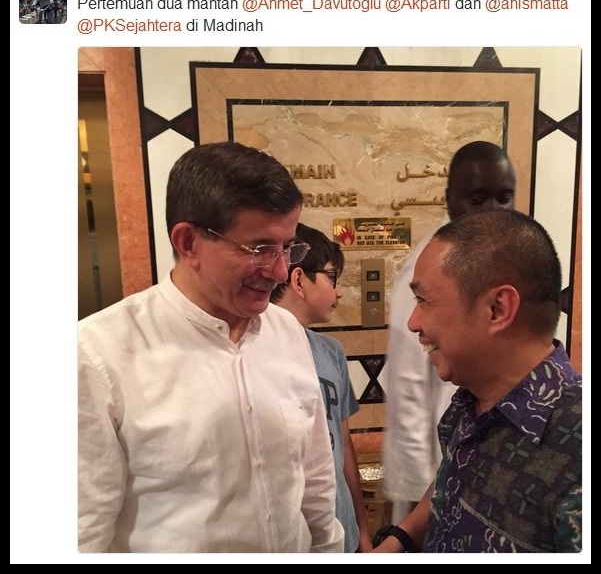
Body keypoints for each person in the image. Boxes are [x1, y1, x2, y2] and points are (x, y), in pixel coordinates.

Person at [78, 142, 344, 553]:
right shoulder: (98, 353)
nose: (279, 271)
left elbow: (314, 478)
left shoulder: (287, 331)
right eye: (260, 249)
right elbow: (84, 529)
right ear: (188, 243)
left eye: (287, 248)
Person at [372, 209, 582, 553]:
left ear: (498, 309)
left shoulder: (577, 453)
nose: (412, 323)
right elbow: (451, 487)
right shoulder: (469, 402)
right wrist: (400, 539)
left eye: (423, 300)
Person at [383, 141, 517, 522]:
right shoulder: (423, 274)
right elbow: (408, 392)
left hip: (497, 467)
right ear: (450, 200)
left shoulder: (512, 262)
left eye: (504, 198)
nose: (492, 211)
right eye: (477, 199)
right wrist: (418, 506)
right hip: (437, 481)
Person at [270, 223, 372, 553]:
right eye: (332, 277)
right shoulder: (251, 354)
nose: (338, 293)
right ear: (299, 280)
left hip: (342, 530)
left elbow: (343, 447)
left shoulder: (331, 353)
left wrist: (362, 530)